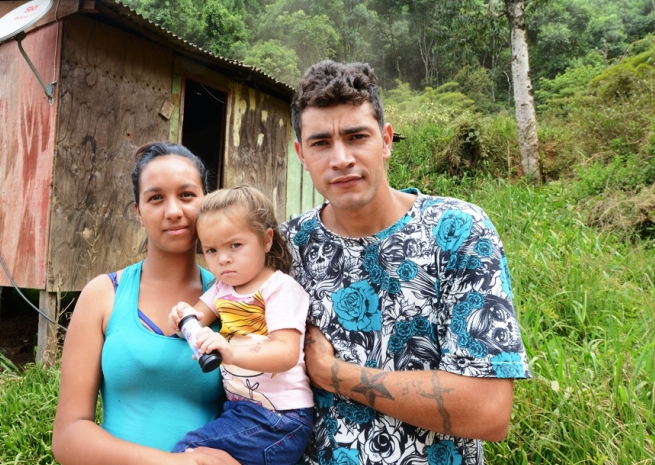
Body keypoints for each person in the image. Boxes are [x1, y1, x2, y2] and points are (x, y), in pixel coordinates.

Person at [280, 61, 530, 465]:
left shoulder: (457, 230)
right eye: (321, 143)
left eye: (356, 136)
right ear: (301, 155)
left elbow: (488, 410)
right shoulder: (288, 246)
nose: (341, 158)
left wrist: (333, 374)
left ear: (386, 140)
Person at [51, 142, 240, 465]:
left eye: (187, 195)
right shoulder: (104, 295)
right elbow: (68, 435)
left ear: (205, 203)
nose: (173, 211)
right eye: (155, 198)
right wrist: (172, 463)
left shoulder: (233, 298)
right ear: (138, 211)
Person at [168, 185, 314, 465]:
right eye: (211, 250)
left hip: (280, 418)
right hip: (242, 412)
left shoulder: (279, 289)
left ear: (266, 240)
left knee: (188, 450)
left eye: (235, 245)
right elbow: (196, 319)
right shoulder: (222, 288)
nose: (223, 258)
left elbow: (286, 353)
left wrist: (232, 354)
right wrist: (182, 317)